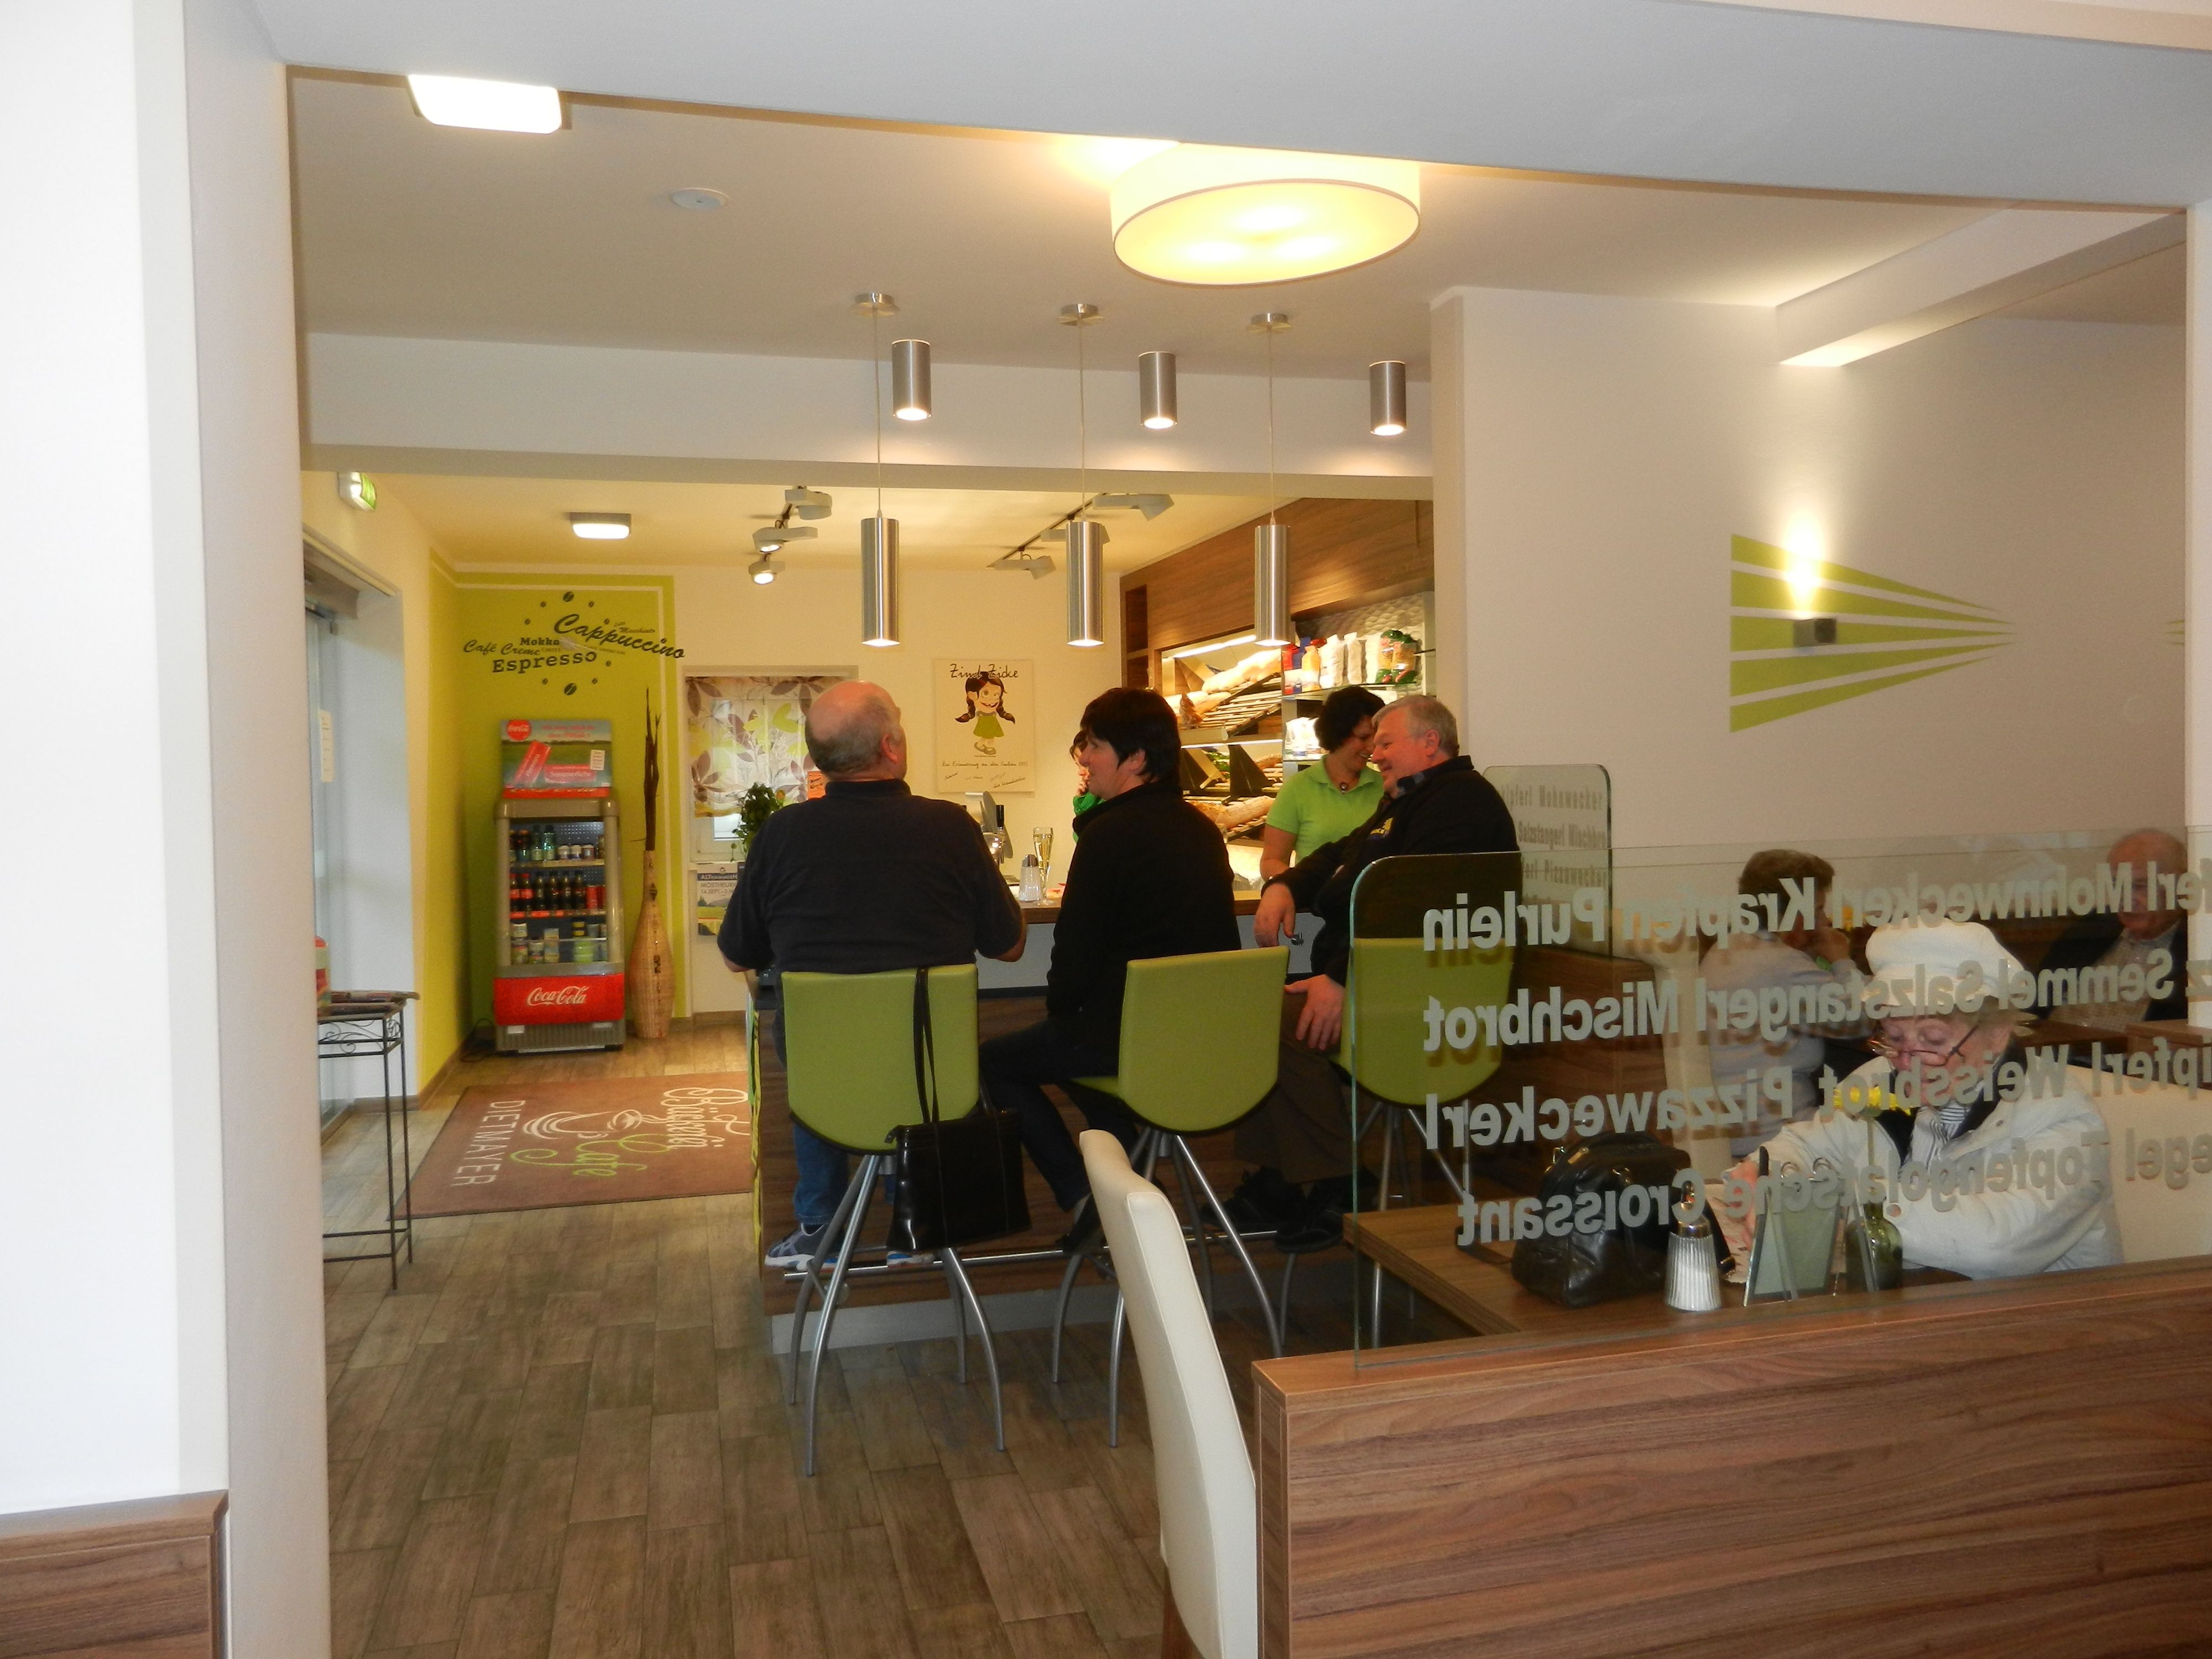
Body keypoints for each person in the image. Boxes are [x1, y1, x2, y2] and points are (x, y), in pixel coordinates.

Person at [719, 680, 1025, 1268]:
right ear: (891, 746)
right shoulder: (951, 828)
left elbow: (737, 955)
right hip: (931, 1081)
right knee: (919, 1056)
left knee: (814, 1046)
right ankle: (916, 1221)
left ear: (820, 760)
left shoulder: (782, 835)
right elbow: (1009, 946)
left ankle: (820, 1226)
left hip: (828, 1086)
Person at [1236, 695, 1520, 1243]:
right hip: (1382, 983)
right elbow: (1338, 854)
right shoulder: (1409, 800)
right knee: (1261, 1011)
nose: (1375, 754)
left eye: (1386, 742)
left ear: (1430, 742)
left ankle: (1339, 1182)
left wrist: (1341, 978)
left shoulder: (1460, 803)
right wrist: (1284, 885)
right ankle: (1279, 1182)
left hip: (1427, 1007)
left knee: (1276, 1022)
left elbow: (1409, 908)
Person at [979, 688, 1240, 1249]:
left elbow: (1074, 956)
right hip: (1205, 1044)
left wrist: (1061, 1013)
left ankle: (1087, 1194)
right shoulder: (1200, 830)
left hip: (1123, 1040)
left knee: (998, 1062)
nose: (1084, 756)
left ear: (1136, 758)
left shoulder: (1107, 835)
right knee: (1075, 1052)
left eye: (1094, 745)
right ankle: (1125, 1187)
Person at [1716, 920, 2118, 1280]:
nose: (1908, 1063)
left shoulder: (2061, 1113)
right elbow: (1805, 1145)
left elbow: (1995, 1245)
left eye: (1933, 1040)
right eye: (1894, 1038)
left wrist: (1839, 1208)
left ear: (1997, 1033)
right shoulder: (1879, 1080)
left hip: (2049, 1323)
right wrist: (1762, 1174)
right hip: (1921, 1306)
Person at [1699, 848, 1865, 1159]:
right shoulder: (1779, 964)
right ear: (1794, 913)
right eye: (1818, 910)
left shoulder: (1727, 949)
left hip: (1739, 1133)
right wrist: (1841, 960)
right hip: (1778, 1138)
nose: (1825, 921)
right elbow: (1859, 1020)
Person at [2033, 828, 2189, 1030]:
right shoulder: (2091, 930)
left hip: (2129, 1050)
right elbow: (2037, 1001)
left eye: (2140, 886)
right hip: (2054, 1044)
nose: (2126, 899)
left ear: (2180, 886)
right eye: (2117, 885)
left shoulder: (2196, 946)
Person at [1259, 685, 1385, 880]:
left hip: (1370, 898)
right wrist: (1304, 885)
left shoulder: (1386, 788)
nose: (1371, 748)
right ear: (1338, 733)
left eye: (1376, 739)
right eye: (1363, 737)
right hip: (1313, 900)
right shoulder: (1297, 789)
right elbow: (1271, 862)